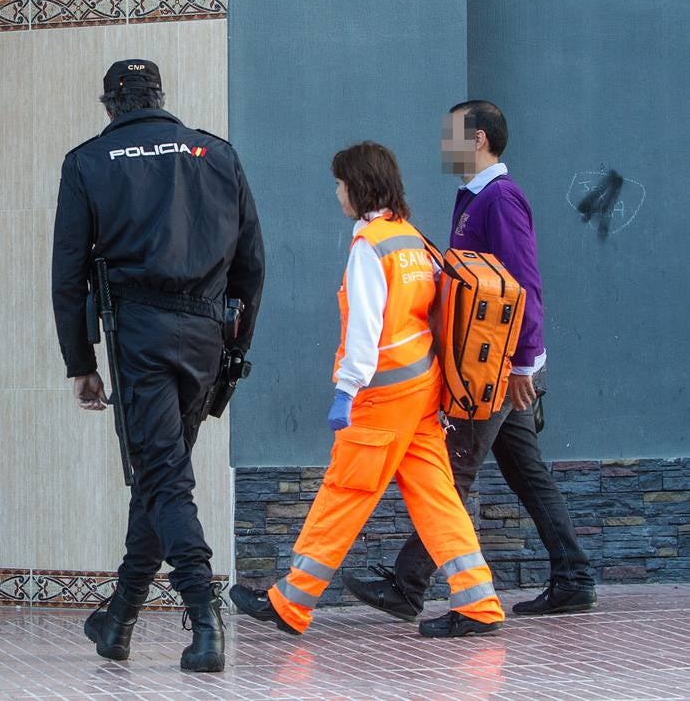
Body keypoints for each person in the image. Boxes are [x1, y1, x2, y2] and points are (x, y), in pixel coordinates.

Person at [230, 142, 506, 638]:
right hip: (422, 390)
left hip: (381, 396)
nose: (336, 193)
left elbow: (365, 328)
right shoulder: (412, 239)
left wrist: (347, 390)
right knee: (436, 495)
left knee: (345, 491)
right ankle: (479, 601)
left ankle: (291, 602)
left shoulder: (370, 247)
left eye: (339, 184)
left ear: (358, 187)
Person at [343, 101, 597, 618]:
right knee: (525, 470)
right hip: (494, 360)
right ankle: (573, 576)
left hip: (497, 365)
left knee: (451, 469)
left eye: (450, 136)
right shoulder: (474, 196)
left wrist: (525, 364)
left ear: (477, 139)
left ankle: (409, 585)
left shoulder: (500, 199)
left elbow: (523, 281)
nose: (443, 146)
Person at [51, 59, 265, 672]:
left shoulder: (88, 161)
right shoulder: (218, 155)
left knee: (164, 477)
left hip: (138, 335)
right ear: (160, 97)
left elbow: (68, 274)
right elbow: (251, 263)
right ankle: (117, 618)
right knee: (159, 472)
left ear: (110, 104)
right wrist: (235, 349)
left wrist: (80, 360)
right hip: (206, 337)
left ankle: (204, 615)